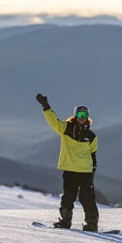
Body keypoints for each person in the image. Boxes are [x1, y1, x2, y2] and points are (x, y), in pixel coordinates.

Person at [35, 93, 99, 232]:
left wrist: (93, 170)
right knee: (68, 197)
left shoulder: (91, 136)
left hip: (85, 171)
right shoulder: (66, 128)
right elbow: (54, 121)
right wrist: (46, 107)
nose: (82, 118)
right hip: (70, 170)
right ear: (75, 116)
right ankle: (65, 222)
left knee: (87, 199)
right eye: (80, 115)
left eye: (85, 115)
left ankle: (92, 225)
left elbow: (93, 154)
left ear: (88, 117)